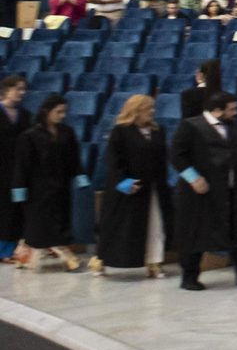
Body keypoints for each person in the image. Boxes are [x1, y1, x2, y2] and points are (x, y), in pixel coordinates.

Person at [169, 90, 237, 290]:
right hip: (201, 193)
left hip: (232, 192)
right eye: (231, 110)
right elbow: (177, 156)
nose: (235, 113)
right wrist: (193, 178)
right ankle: (189, 277)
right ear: (216, 110)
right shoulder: (190, 126)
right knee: (196, 235)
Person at [93, 93, 173, 278]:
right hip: (128, 188)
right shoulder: (120, 131)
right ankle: (101, 260)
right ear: (136, 111)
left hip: (154, 187)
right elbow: (114, 161)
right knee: (119, 228)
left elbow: (162, 160)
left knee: (155, 226)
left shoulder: (158, 131)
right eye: (148, 109)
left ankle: (154, 263)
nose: (152, 112)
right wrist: (124, 182)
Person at [10, 95, 86, 271]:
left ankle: (64, 251)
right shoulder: (30, 136)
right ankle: (26, 254)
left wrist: (80, 177)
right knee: (37, 224)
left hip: (61, 186)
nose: (62, 115)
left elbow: (74, 159)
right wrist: (19, 188)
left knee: (61, 220)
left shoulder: (67, 132)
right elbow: (22, 165)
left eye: (64, 112)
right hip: (37, 189)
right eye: (58, 112)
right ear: (47, 112)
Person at [0, 76, 25, 264]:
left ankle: (8, 250)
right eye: (18, 89)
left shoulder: (24, 115)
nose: (22, 93)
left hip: (16, 169)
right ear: (7, 89)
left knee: (12, 210)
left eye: (23, 89)